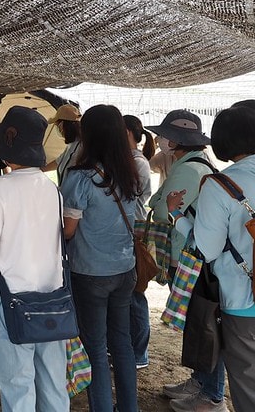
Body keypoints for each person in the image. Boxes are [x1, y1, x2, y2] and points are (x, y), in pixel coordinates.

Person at [0, 105, 70, 411]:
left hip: (9, 298)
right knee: (54, 382)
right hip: (52, 297)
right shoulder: (53, 190)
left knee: (17, 383)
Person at [145, 110, 227, 411]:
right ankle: (201, 382)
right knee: (201, 324)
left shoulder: (185, 170)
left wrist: (159, 204)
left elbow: (161, 209)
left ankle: (211, 393)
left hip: (187, 256)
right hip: (197, 253)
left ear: (177, 140)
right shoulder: (201, 163)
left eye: (164, 134)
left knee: (202, 326)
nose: (160, 139)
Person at [61, 104, 140, 412]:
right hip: (125, 269)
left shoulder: (81, 177)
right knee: (121, 342)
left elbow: (68, 231)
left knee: (94, 346)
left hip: (91, 272)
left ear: (88, 135)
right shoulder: (129, 172)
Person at [190, 106, 255, 412]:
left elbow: (208, 249)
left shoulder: (220, 186)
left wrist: (182, 221)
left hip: (244, 299)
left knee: (248, 383)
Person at [123, 114, 155, 370]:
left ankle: (140, 352)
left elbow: (133, 196)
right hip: (128, 231)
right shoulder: (130, 160)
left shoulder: (137, 163)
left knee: (136, 293)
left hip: (133, 231)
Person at [46, 103, 82, 185]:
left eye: (57, 126)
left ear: (62, 125)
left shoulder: (79, 148)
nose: (58, 129)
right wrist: (38, 170)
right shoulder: (72, 145)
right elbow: (58, 162)